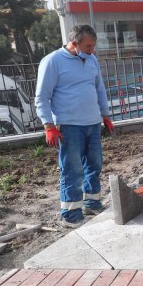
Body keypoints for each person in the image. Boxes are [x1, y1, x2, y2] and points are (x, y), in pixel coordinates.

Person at [34, 25, 113, 228]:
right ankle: (71, 215)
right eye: (88, 46)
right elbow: (42, 97)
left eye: (94, 46)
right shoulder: (53, 61)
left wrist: (105, 115)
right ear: (74, 43)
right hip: (69, 126)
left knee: (94, 166)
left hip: (92, 123)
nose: (92, 50)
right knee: (73, 170)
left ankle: (92, 203)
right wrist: (48, 125)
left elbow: (99, 89)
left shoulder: (91, 59)